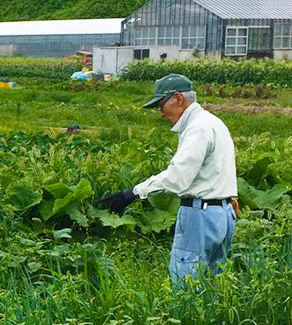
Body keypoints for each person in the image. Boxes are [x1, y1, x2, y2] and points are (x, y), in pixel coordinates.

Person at [98, 73, 237, 281]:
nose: (161, 114)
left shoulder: (197, 129)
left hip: (200, 215)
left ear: (178, 98)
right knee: (215, 283)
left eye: (161, 106)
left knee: (185, 284)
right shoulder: (214, 122)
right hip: (224, 214)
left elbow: (177, 178)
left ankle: (185, 315)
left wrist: (133, 193)